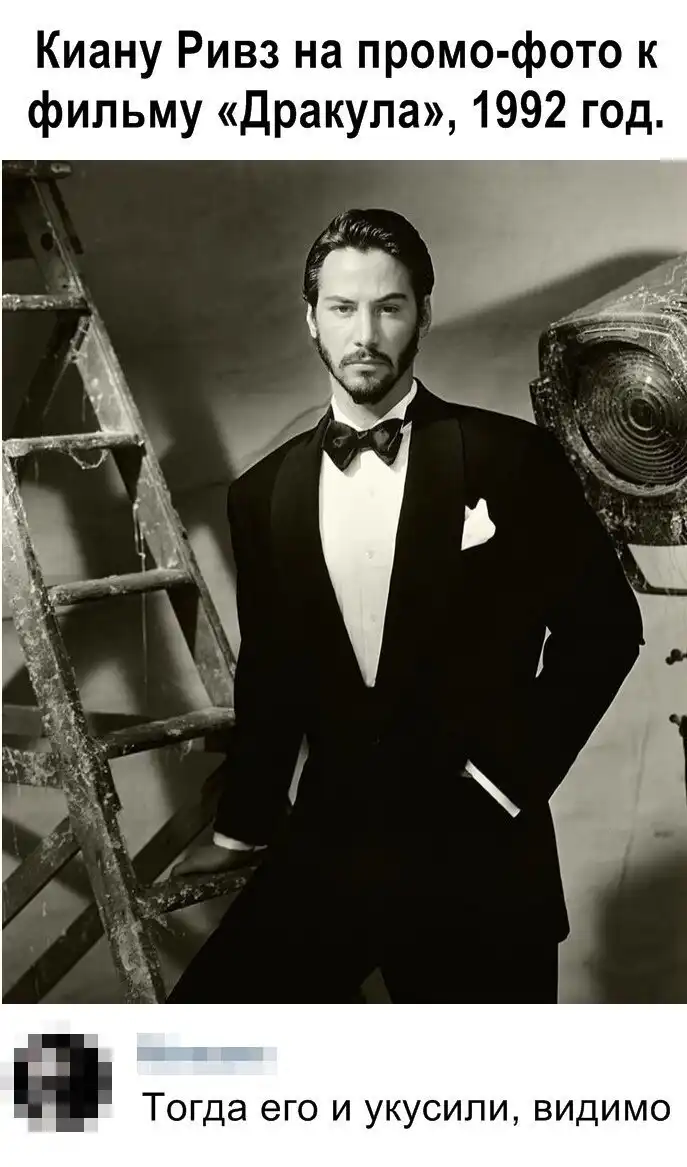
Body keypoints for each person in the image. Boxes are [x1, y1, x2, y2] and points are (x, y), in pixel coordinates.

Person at [167, 208, 644, 1004]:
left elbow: (604, 629)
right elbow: (272, 675)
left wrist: (501, 781)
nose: (364, 334)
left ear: (423, 313)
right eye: (341, 308)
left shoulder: (512, 458)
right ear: (310, 318)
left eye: (388, 307)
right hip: (328, 853)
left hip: (479, 862)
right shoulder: (260, 494)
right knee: (168, 1050)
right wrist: (240, 828)